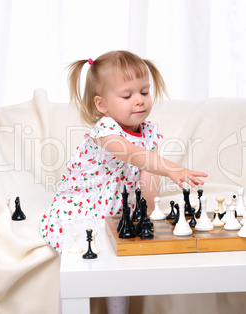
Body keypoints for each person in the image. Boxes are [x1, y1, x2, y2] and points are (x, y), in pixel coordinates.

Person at [40, 50, 207, 313]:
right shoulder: (106, 130)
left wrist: (149, 215)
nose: (139, 101)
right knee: (76, 268)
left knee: (117, 269)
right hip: (83, 206)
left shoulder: (149, 132)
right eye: (127, 96)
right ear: (102, 105)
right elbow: (133, 155)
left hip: (119, 210)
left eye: (144, 92)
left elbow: (147, 182)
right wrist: (174, 169)